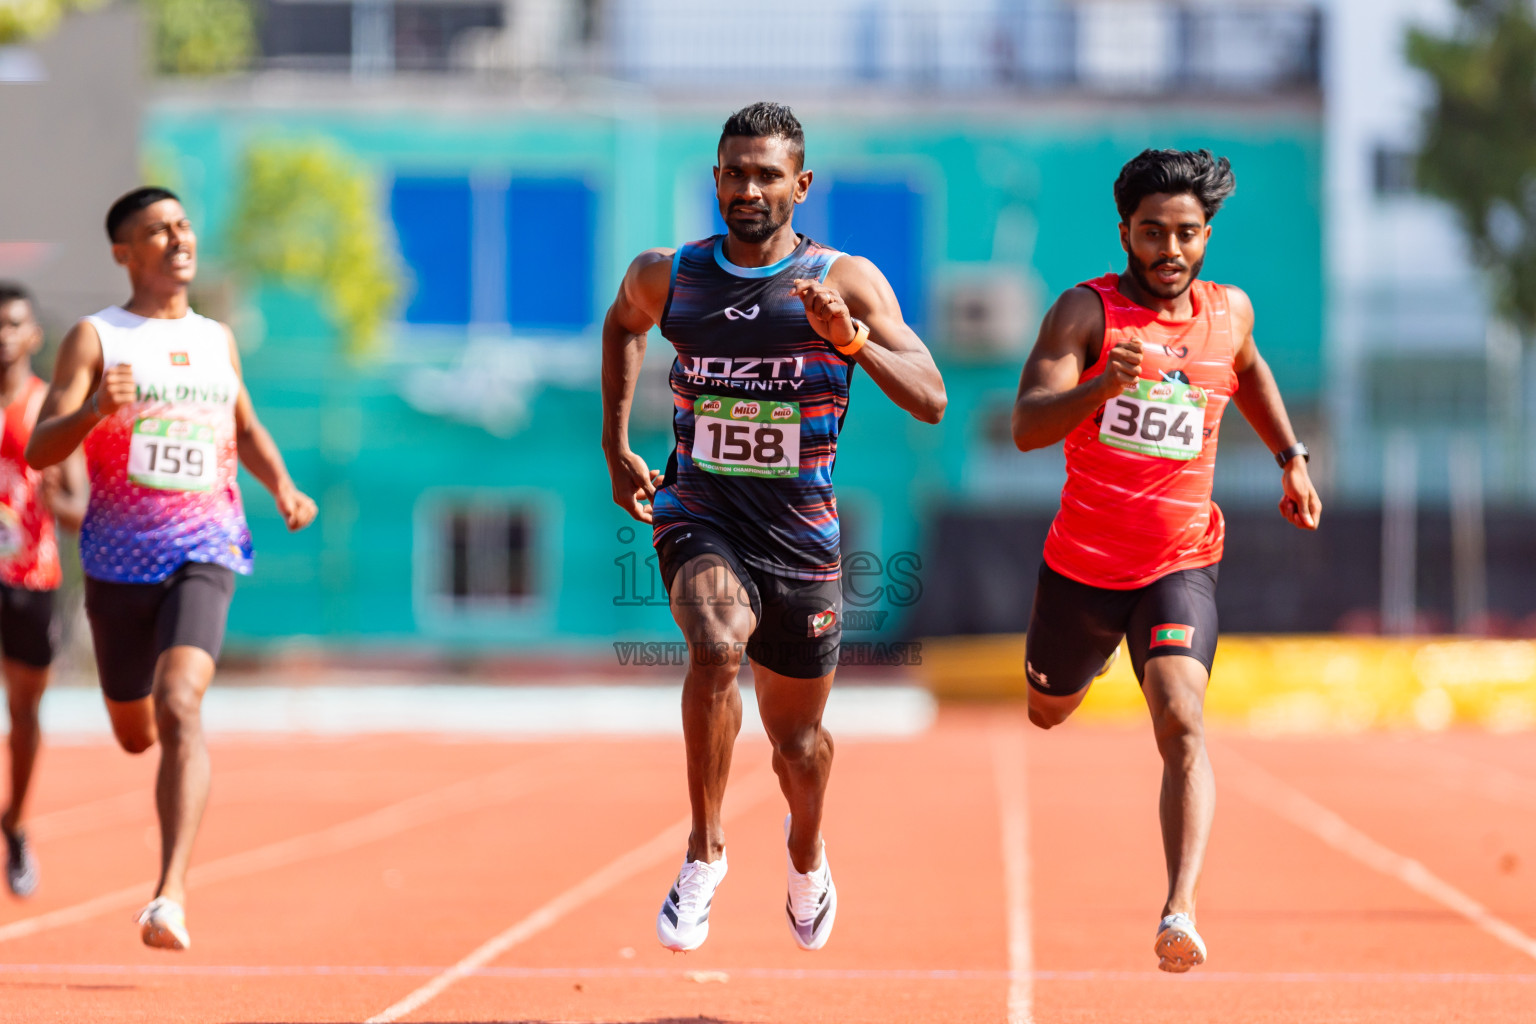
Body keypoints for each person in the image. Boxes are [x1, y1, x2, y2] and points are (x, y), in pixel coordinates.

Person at [601, 102, 946, 953]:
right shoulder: (670, 275)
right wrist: (616, 445)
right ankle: (705, 851)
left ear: (802, 184)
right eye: (733, 171)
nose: (748, 188)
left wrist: (851, 341)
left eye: (766, 174)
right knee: (716, 646)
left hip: (801, 539)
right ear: (714, 178)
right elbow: (622, 324)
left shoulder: (847, 280)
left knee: (798, 746)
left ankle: (805, 853)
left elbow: (932, 398)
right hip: (701, 512)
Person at [1010, 149, 1322, 973]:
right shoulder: (1084, 314)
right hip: (1081, 565)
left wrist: (1291, 455)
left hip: (1178, 562)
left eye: (1186, 233)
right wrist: (1096, 391)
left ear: (1206, 235)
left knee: (1182, 719)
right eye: (1152, 233)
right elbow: (1028, 424)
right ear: (1125, 233)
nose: (1169, 250)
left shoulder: (1231, 313)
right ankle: (1088, 662)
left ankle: (1179, 910)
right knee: (1048, 712)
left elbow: (1247, 371)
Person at [25, 187, 318, 949]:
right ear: (125, 253)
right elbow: (39, 449)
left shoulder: (217, 338)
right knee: (135, 731)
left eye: (183, 224)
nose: (178, 237)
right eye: (157, 230)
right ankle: (142, 727)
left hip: (207, 543)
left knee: (182, 704)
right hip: (119, 557)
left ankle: (169, 895)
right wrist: (92, 413)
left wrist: (281, 486)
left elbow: (244, 426)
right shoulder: (97, 338)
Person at [0, 283, 88, 898]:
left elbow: (81, 506)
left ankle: (17, 820)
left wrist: (59, 497)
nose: (3, 335)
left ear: (33, 336)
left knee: (25, 711)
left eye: (14, 324)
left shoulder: (48, 412)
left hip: (32, 580)